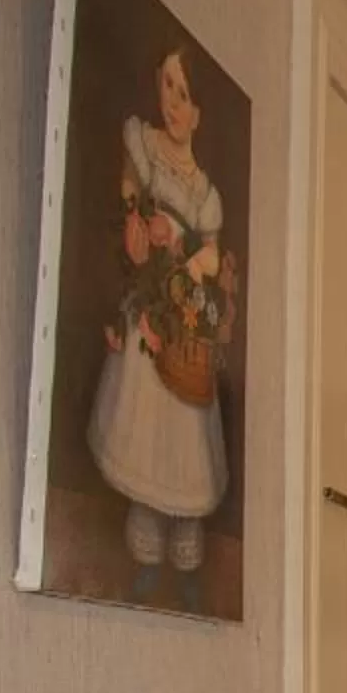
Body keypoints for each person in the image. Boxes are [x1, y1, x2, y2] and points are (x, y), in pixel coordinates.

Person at [87, 48, 236, 610]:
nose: (173, 102)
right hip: (149, 312)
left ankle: (186, 548)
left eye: (184, 94)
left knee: (185, 436)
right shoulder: (146, 149)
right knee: (145, 428)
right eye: (168, 87)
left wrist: (183, 252)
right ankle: (147, 548)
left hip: (183, 321)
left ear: (198, 114)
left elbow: (214, 259)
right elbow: (128, 197)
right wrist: (136, 224)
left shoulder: (202, 190)